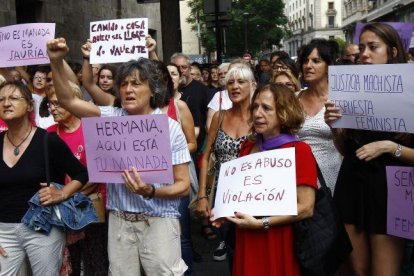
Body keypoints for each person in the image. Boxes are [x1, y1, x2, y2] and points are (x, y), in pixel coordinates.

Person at [47, 37, 191, 275]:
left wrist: (151, 191)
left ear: (153, 88)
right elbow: (68, 100)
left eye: (136, 84)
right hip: (119, 222)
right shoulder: (109, 118)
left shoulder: (169, 127)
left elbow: (183, 185)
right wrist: (55, 61)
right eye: (123, 84)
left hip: (159, 220)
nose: (128, 90)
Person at [325, 22, 414, 276]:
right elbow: (345, 150)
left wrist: (389, 147)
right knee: (356, 270)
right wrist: (334, 127)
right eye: (362, 47)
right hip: (353, 184)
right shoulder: (350, 89)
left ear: (393, 52)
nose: (364, 53)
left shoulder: (411, 92)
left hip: (393, 187)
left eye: (373, 47)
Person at [212, 83, 317, 276]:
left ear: (284, 113)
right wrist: (224, 212)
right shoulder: (248, 145)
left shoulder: (299, 151)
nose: (258, 114)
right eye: (255, 107)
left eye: (266, 108)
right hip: (246, 235)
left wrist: (262, 223)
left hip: (278, 238)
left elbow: (306, 208)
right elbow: (241, 193)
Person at [0, 81, 88, 275]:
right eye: (1, 99)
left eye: (13, 98)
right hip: (3, 231)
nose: (6, 103)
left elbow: (81, 174)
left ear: (30, 105)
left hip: (42, 228)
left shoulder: (48, 140)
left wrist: (63, 193)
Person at [44, 83, 109, 275]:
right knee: (69, 263)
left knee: (96, 262)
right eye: (49, 104)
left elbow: (97, 173)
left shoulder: (92, 129)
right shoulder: (48, 134)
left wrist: (67, 195)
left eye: (57, 103)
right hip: (61, 212)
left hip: (90, 209)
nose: (52, 108)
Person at [196, 64, 255, 266]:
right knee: (232, 250)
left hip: (254, 195)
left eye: (241, 82)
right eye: (230, 82)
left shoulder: (261, 118)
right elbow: (205, 156)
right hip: (223, 197)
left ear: (253, 85)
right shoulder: (219, 117)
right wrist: (202, 196)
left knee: (252, 251)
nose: (235, 86)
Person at [296, 38, 342, 193]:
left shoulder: (340, 100)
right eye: (306, 61)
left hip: (332, 177)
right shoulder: (293, 99)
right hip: (299, 178)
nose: (308, 66)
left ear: (328, 66)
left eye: (316, 61)